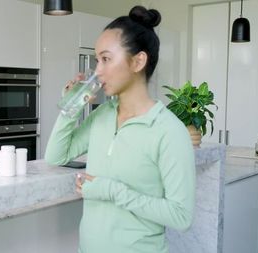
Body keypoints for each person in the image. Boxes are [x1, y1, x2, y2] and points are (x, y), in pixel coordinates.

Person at [45, 5, 196, 253]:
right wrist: (71, 105)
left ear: (138, 61)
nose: (98, 71)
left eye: (106, 59)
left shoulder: (168, 131)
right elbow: (56, 156)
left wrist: (113, 191)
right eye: (97, 60)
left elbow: (181, 216)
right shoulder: (103, 115)